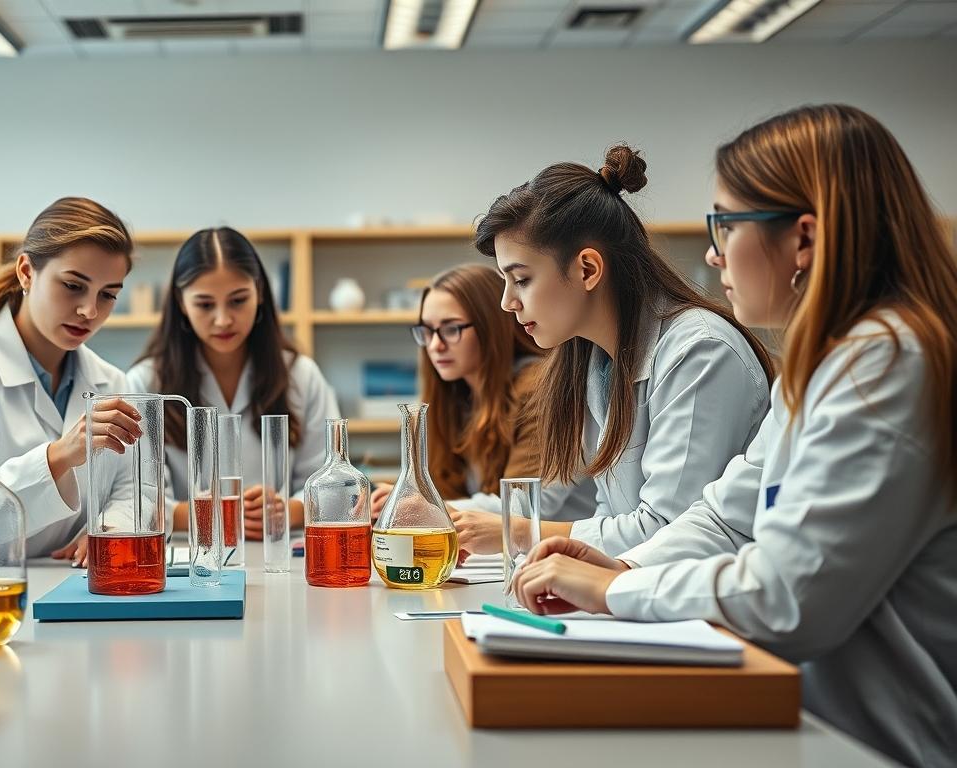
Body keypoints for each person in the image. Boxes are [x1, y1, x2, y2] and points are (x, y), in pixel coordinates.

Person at [512, 105, 957, 768]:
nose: (712, 252)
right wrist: (626, 568)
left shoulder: (889, 363)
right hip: (805, 724)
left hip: (880, 746)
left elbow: (787, 599)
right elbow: (726, 516)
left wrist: (612, 591)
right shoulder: (825, 364)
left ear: (803, 240)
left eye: (723, 224)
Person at [466, 144, 774, 558]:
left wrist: (523, 533)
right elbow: (609, 514)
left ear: (588, 269)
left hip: (704, 604)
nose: (507, 302)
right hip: (645, 598)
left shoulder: (700, 352)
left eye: (520, 279)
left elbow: (670, 530)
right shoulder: (593, 362)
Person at [0, 197, 142, 563]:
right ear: (26, 272)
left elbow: (136, 487)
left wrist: (109, 529)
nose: (90, 311)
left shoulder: (111, 380)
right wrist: (56, 457)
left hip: (76, 586)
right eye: (72, 286)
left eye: (108, 294)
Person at [127, 227, 339, 540]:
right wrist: (220, 513)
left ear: (260, 294)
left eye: (238, 300)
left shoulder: (301, 375)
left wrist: (282, 510)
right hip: (189, 559)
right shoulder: (145, 383)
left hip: (280, 552)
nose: (223, 320)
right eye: (205, 304)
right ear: (181, 303)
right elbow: (139, 503)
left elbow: (332, 486)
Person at [371, 264, 593, 535]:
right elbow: (448, 488)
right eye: (427, 331)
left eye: (451, 329)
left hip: (572, 554)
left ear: (492, 327)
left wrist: (425, 507)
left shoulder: (543, 386)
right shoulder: (457, 397)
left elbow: (527, 505)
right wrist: (411, 503)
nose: (435, 345)